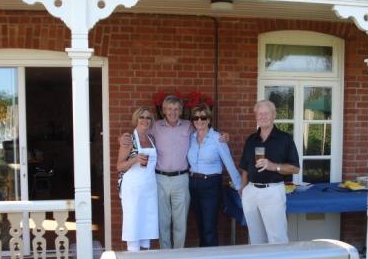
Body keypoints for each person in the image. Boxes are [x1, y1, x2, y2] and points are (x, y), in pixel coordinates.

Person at [120, 95, 228, 249]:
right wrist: (123, 139)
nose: (173, 112)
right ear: (164, 110)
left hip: (181, 178)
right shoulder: (155, 126)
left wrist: (222, 136)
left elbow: (204, 130)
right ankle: (166, 254)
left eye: (176, 109)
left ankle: (178, 254)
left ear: (181, 111)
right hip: (160, 179)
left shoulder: (188, 126)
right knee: (163, 221)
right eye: (169, 109)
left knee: (180, 221)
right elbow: (139, 133)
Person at [239, 100, 300, 245]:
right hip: (251, 192)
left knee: (277, 238)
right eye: (260, 114)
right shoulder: (251, 139)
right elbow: (245, 168)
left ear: (274, 115)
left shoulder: (284, 139)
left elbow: (295, 168)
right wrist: (243, 189)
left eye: (266, 113)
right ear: (256, 117)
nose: (263, 116)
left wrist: (274, 166)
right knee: (255, 238)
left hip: (272, 191)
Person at [188, 105, 242, 247]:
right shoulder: (191, 138)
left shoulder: (218, 138)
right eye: (196, 118)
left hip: (210, 185)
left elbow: (229, 163)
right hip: (193, 183)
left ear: (209, 120)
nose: (199, 120)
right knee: (199, 224)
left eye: (203, 117)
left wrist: (239, 186)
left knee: (209, 226)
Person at [117, 107, 158, 251]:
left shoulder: (151, 138)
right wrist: (134, 160)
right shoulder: (129, 139)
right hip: (133, 188)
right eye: (142, 117)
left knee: (146, 224)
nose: (145, 120)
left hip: (149, 187)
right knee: (133, 223)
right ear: (136, 119)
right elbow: (119, 166)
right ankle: (133, 257)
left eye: (148, 118)